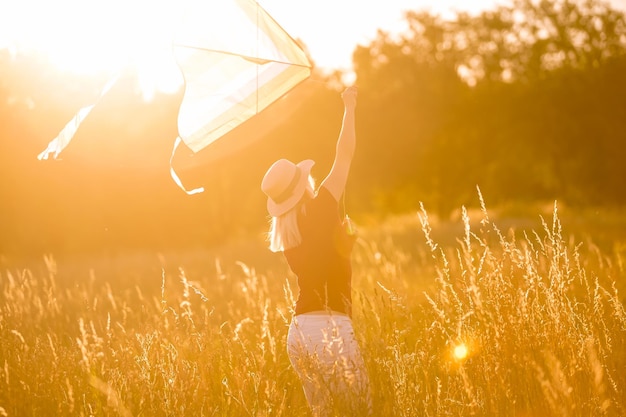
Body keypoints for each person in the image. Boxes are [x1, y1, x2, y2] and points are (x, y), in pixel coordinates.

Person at [261, 86, 372, 416]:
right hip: (331, 327)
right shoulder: (322, 207)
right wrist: (349, 107)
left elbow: (323, 257)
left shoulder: (286, 232)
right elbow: (345, 154)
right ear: (303, 183)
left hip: (299, 334)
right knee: (360, 410)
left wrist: (344, 241)